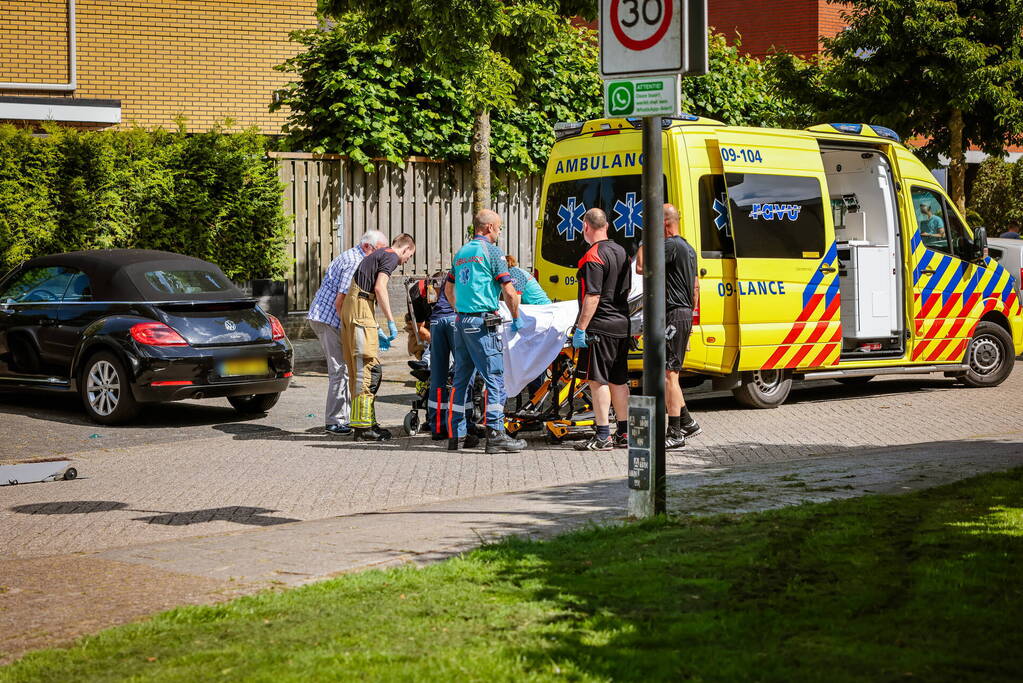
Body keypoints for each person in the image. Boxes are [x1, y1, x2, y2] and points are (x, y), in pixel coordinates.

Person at [445, 209, 527, 453]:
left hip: (462, 323)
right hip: (483, 323)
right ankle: (495, 433)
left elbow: (449, 291)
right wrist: (516, 317)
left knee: (461, 380)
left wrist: (462, 310)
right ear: (490, 227)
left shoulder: (461, 253)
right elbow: (510, 292)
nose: (499, 232)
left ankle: (457, 435)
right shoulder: (492, 251)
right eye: (499, 228)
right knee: (495, 379)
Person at [307, 230, 387, 436]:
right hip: (329, 319)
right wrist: (349, 327)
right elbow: (340, 301)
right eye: (380, 251)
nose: (381, 257)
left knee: (346, 368)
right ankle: (334, 421)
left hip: (328, 318)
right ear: (368, 247)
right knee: (340, 370)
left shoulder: (355, 256)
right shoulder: (355, 262)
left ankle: (347, 417)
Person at [636, 204, 702, 449]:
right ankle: (687, 421)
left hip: (674, 314)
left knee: (668, 375)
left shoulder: (671, 245)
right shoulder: (688, 247)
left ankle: (675, 432)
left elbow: (641, 267)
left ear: (663, 223)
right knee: (671, 372)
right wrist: (690, 316)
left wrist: (644, 240)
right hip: (683, 313)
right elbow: (695, 287)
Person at [341, 233, 416, 441]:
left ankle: (365, 423)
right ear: (406, 249)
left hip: (359, 307)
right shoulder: (391, 256)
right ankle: (363, 428)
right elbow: (380, 287)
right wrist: (391, 321)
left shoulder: (380, 254)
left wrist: (374, 325)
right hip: (360, 307)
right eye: (409, 256)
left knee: (363, 368)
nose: (407, 260)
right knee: (367, 369)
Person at [572, 208, 631, 451]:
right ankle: (625, 433)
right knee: (619, 380)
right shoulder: (622, 251)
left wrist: (580, 328)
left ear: (586, 226)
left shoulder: (592, 256)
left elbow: (593, 295)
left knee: (598, 381)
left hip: (600, 326)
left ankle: (603, 435)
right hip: (621, 323)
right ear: (606, 225)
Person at [427, 272, 479, 446]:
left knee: (437, 377)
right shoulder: (469, 270)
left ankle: (438, 426)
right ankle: (466, 424)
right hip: (455, 318)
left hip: (436, 321)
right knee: (464, 374)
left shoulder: (453, 271)